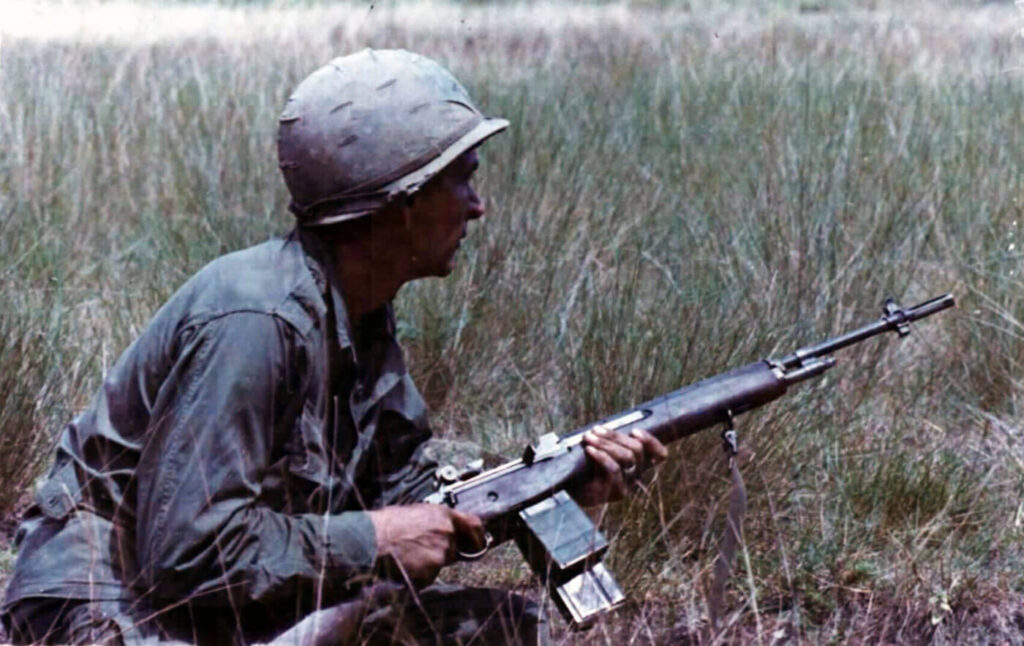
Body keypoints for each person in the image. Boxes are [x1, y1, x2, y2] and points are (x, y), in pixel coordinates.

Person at [1, 49, 667, 645]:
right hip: (104, 608)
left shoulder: (359, 311)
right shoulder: (255, 317)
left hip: (206, 607)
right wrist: (375, 539)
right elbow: (184, 554)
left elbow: (410, 493)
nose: (477, 205)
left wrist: (557, 484)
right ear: (401, 205)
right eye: (461, 178)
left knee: (507, 631)